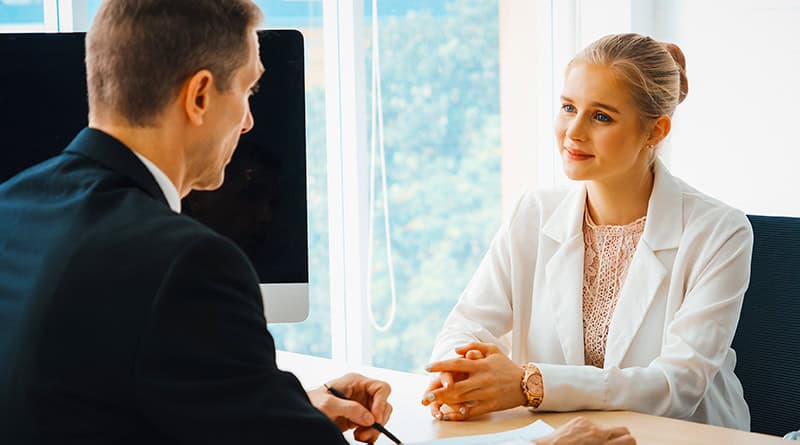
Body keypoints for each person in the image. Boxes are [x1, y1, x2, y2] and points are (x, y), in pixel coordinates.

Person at [0, 1, 391, 443]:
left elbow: (86, 396)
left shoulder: (11, 204)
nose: (248, 122)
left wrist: (280, 403)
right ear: (200, 95)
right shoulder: (188, 263)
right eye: (247, 91)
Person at [422, 33, 752, 431]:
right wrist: (458, 372)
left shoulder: (720, 232)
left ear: (656, 132)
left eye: (601, 116)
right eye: (568, 107)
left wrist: (532, 385)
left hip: (680, 437)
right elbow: (467, 323)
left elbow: (677, 386)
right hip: (563, 436)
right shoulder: (534, 212)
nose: (572, 132)